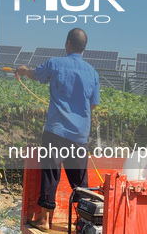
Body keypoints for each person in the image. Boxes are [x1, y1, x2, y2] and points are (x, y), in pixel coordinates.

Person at [17, 28, 100, 232]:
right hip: (79, 136)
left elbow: (35, 74)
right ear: (84, 48)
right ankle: (83, 223)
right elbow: (93, 105)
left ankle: (45, 221)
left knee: (50, 174)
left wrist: (23, 71)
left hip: (56, 132)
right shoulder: (93, 73)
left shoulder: (55, 64)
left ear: (67, 43)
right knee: (80, 183)